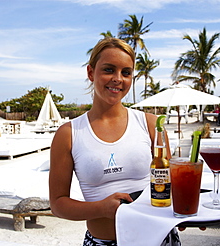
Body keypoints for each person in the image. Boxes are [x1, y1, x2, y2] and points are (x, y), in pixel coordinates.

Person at [49, 38, 180, 246]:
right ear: (91, 73)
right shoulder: (69, 134)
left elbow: (173, 184)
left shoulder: (151, 124)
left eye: (126, 72)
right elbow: (57, 205)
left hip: (159, 240)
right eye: (109, 70)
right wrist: (101, 208)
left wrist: (190, 209)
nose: (118, 79)